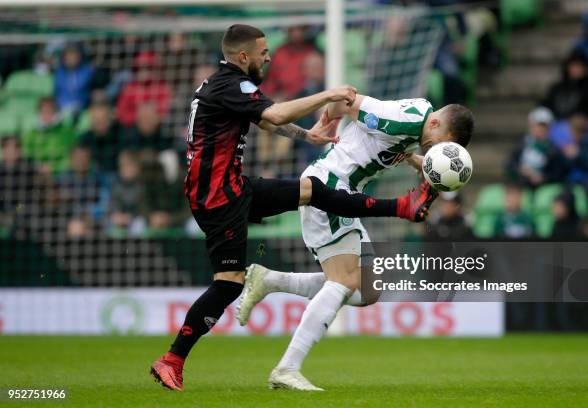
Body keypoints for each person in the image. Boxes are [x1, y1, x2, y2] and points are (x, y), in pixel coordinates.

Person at [149, 24, 441, 392]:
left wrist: (308, 135)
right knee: (227, 285)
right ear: (243, 57)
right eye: (263, 51)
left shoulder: (222, 84)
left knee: (312, 191)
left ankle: (275, 278)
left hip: (233, 186)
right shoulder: (232, 85)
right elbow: (273, 115)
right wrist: (328, 95)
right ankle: (172, 359)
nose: (268, 56)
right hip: (218, 197)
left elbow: (266, 121)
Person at [236, 92, 474, 390]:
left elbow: (384, 144)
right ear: (437, 123)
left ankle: (269, 280)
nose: (436, 151)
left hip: (346, 190)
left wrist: (416, 160)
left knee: (369, 289)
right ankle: (287, 368)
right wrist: (331, 115)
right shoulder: (403, 119)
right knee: (346, 281)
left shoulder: (419, 126)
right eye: (440, 145)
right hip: (329, 186)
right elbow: (348, 99)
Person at [505, 107, 567, 188]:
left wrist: (543, 177)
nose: (540, 129)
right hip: (521, 185)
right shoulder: (522, 144)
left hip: (544, 188)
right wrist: (521, 171)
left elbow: (558, 173)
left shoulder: (553, 149)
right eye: (537, 125)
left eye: (544, 126)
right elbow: (509, 165)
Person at [541, 50, 588, 120]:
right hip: (557, 126)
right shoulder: (557, 88)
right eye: (574, 66)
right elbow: (545, 108)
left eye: (580, 66)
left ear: (586, 68)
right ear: (567, 67)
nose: (577, 70)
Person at [53, 43, 94, 116]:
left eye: (73, 55)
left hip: (80, 109)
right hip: (60, 109)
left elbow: (82, 89)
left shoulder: (87, 71)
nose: (70, 58)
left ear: (79, 57)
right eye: (68, 56)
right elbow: (56, 92)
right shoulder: (59, 72)